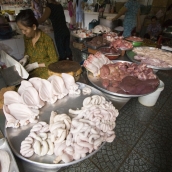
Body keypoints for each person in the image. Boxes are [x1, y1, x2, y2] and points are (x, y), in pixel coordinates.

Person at [16, 9, 58, 79]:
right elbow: (27, 51)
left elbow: (54, 61)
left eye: (25, 30)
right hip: (30, 70)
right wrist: (25, 57)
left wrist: (35, 65)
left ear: (34, 27)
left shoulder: (46, 40)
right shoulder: (26, 37)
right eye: (21, 30)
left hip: (44, 69)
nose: (23, 32)